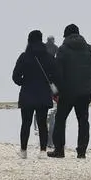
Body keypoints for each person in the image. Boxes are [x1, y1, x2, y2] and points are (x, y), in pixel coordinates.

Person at [50, 24, 91, 159]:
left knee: (60, 119)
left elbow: (56, 73)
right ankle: (81, 151)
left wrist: (58, 90)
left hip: (67, 92)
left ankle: (59, 150)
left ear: (66, 36)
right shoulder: (90, 49)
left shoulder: (62, 50)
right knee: (83, 121)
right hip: (85, 92)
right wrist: (90, 83)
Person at [12, 30, 57, 158]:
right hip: (43, 94)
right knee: (43, 123)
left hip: (27, 94)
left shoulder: (24, 57)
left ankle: (23, 151)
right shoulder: (48, 57)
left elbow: (15, 76)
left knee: (25, 123)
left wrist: (23, 82)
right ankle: (43, 151)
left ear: (29, 40)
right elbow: (55, 74)